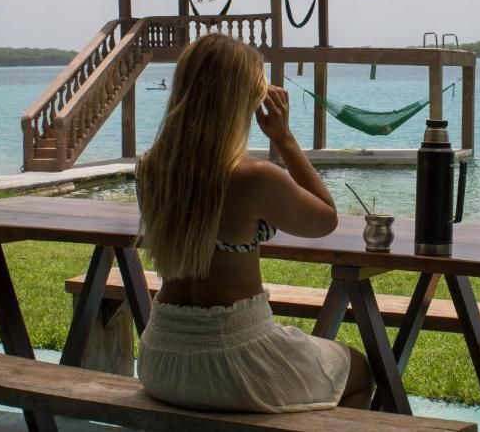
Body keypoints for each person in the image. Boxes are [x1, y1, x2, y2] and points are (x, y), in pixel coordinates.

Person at [134, 34, 372, 412]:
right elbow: (325, 219)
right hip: (236, 363)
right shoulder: (254, 177)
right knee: (359, 372)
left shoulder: (149, 169)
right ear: (242, 100)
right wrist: (285, 138)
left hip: (162, 356)